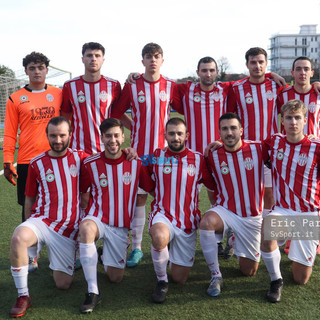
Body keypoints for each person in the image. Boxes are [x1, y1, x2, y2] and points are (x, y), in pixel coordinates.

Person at [9, 117, 87, 318]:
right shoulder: (37, 163)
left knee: (63, 284)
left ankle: (66, 255)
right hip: (42, 221)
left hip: (67, 229)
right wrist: (29, 233)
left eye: (62, 135)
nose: (58, 140)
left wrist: (128, 152)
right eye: (53, 136)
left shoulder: (81, 158)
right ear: (47, 136)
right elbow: (29, 201)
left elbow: (106, 158)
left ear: (70, 135)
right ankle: (23, 295)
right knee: (18, 237)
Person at [78, 118, 154, 313]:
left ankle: (101, 253)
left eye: (116, 136)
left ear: (123, 137)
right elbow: (82, 194)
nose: (112, 140)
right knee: (86, 229)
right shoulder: (90, 163)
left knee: (116, 278)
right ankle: (93, 291)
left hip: (119, 227)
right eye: (108, 136)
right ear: (102, 138)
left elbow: (152, 188)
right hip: (97, 219)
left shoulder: (136, 164)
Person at [111, 43, 176, 268]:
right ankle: (137, 247)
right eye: (148, 57)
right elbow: (116, 113)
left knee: (164, 198)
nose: (153, 60)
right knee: (138, 199)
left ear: (162, 60)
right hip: (139, 155)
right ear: (143, 61)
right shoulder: (132, 85)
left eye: (156, 56)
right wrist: (135, 125)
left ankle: (167, 244)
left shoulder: (170, 85)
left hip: (164, 155)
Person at [147, 118, 215, 303]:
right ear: (165, 135)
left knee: (180, 279)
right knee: (160, 237)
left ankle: (167, 252)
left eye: (179, 133)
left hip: (187, 221)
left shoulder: (198, 158)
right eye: (171, 134)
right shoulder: (156, 155)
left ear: (187, 136)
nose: (175, 137)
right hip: (163, 214)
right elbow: (140, 171)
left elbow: (212, 184)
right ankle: (161, 281)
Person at [261, 100, 320, 303]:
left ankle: (306, 239)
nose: (293, 122)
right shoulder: (273, 142)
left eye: (297, 118)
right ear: (282, 121)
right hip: (283, 210)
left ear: (305, 120)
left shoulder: (316, 147)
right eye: (288, 118)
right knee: (267, 231)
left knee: (300, 279)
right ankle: (275, 280)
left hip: (307, 214)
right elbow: (245, 147)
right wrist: (217, 144)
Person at [201, 112, 266, 297]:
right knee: (206, 222)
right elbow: (210, 184)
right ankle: (215, 275)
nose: (229, 132)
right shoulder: (212, 156)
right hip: (226, 210)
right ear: (219, 133)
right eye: (225, 129)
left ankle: (233, 238)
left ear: (241, 130)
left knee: (249, 272)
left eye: (233, 128)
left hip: (252, 216)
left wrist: (309, 137)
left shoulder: (259, 148)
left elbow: (285, 144)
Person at [3, 52, 62, 223]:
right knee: (29, 208)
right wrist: (8, 161)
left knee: (58, 205)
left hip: (56, 158)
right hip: (28, 161)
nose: (37, 71)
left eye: (40, 67)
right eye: (32, 68)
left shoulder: (59, 93)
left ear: (47, 70)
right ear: (26, 71)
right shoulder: (15, 99)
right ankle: (29, 248)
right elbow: (10, 133)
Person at [227, 47, 287, 213]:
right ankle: (237, 231)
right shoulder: (236, 88)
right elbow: (230, 117)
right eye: (253, 62)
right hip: (245, 149)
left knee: (269, 193)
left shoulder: (277, 86)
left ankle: (266, 234)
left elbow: (288, 110)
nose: (257, 66)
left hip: (270, 149)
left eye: (261, 62)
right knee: (244, 192)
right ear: (247, 64)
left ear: (266, 64)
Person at [277, 56, 320, 254]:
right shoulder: (283, 94)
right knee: (287, 195)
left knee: (314, 196)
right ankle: (287, 238)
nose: (302, 72)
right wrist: (270, 73)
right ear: (292, 73)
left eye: (306, 69)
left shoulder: (318, 93)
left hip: (315, 152)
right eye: (298, 69)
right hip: (289, 151)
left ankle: (312, 237)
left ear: (312, 72)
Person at [61, 42, 126, 155]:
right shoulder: (70, 86)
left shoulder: (114, 85)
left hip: (106, 150)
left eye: (97, 55)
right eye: (89, 55)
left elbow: (118, 114)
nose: (93, 59)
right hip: (78, 150)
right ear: (83, 59)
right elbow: (64, 118)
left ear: (103, 60)